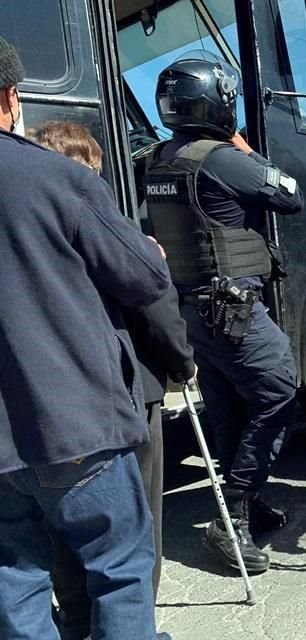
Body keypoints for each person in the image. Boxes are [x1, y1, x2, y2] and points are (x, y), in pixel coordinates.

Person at [0, 37, 171, 640]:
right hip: (71, 422)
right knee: (119, 568)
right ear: (10, 98)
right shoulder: (52, 177)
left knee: (14, 576)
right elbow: (144, 276)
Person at [30, 121, 196, 638]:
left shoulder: (26, 226)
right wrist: (182, 365)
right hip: (125, 394)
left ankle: (79, 624)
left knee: (61, 533)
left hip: (39, 408)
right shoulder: (104, 224)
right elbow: (155, 305)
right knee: (131, 535)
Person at [144, 51, 304, 573]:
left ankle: (245, 505)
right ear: (215, 102)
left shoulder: (161, 160)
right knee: (279, 390)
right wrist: (248, 153)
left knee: (231, 407)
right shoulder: (222, 157)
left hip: (192, 310)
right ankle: (232, 514)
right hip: (233, 311)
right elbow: (290, 196)